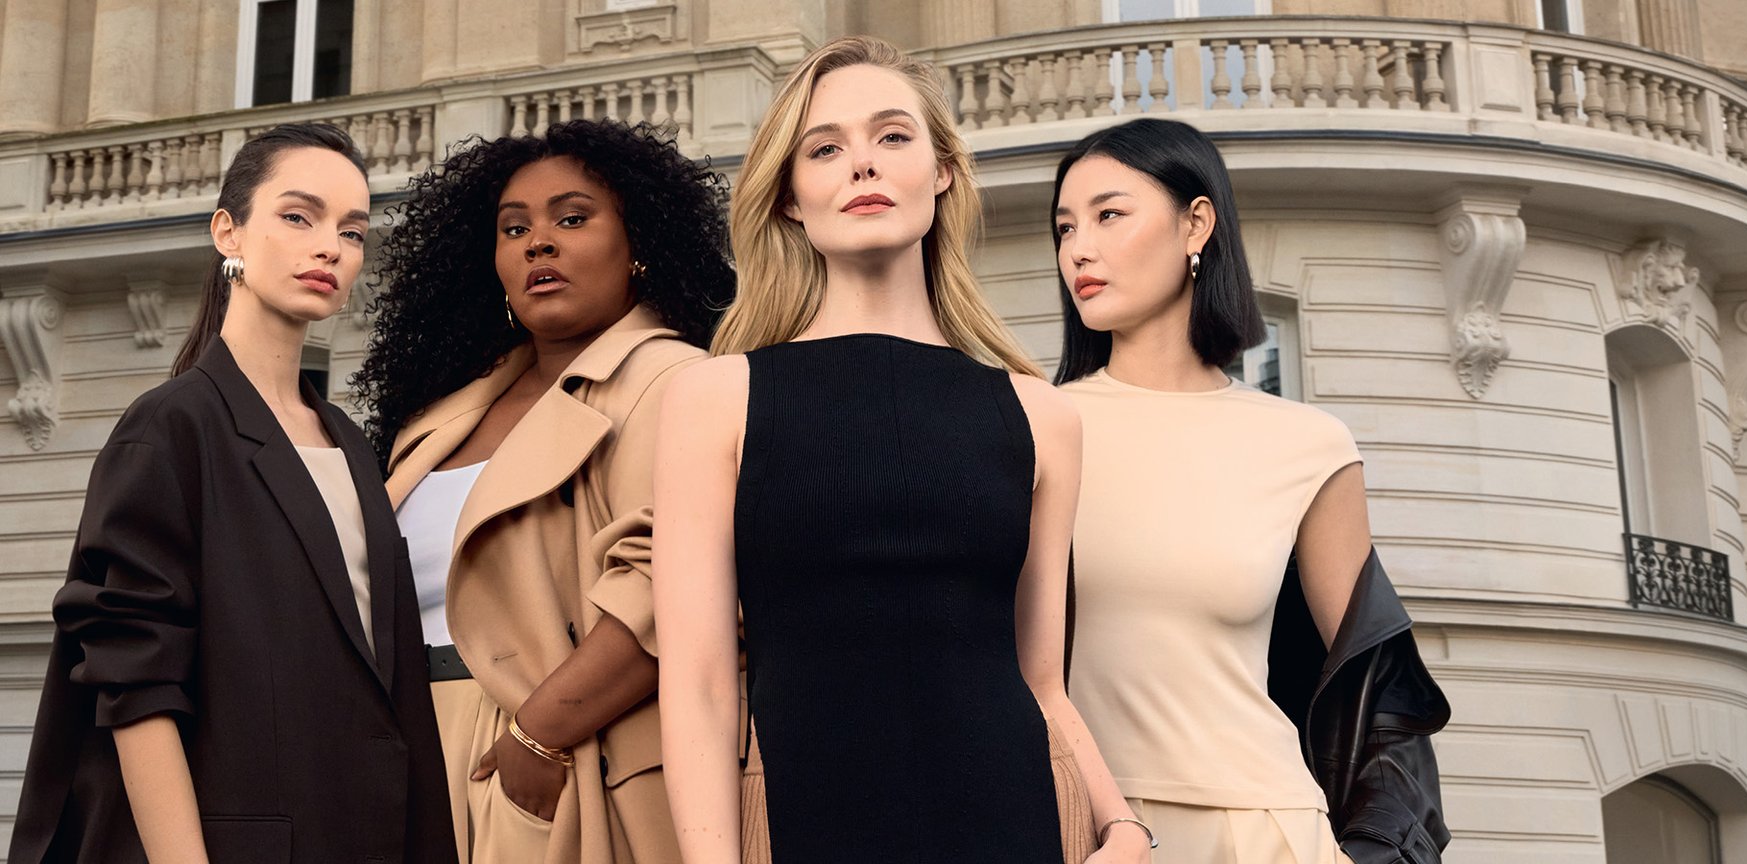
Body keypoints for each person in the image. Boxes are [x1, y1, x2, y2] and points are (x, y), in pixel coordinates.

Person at [652, 35, 1149, 864]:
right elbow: (700, 686)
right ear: (787, 197)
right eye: (825, 148)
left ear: (943, 170)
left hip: (1010, 819)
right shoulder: (714, 398)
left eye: (892, 136)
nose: (863, 166)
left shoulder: (1040, 416)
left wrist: (1126, 827)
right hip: (809, 822)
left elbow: (1041, 682)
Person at [9, 123, 456, 864]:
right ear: (229, 232)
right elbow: (135, 685)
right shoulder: (172, 428)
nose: (329, 248)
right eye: (297, 216)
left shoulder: (350, 443)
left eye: (352, 231)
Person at [1050, 117, 1451, 864]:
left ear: (1195, 223)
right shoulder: (1039, 426)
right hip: (1090, 828)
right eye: (1065, 226)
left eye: (1109, 215)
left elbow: (1377, 690)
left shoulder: (1307, 445)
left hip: (1266, 828)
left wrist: (1380, 850)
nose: (1079, 248)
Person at [351, 118, 735, 864]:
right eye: (513, 228)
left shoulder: (676, 383)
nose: (538, 243)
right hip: (410, 761)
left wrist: (539, 735)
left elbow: (673, 583)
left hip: (563, 762)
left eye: (572, 217)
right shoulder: (437, 418)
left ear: (640, 247)